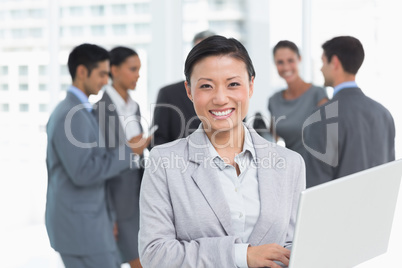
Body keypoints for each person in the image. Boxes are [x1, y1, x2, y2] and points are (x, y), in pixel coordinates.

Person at [139, 35, 306, 268]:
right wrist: (241, 256)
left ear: (251, 86)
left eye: (233, 84)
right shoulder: (164, 163)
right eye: (206, 86)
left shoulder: (290, 163)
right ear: (189, 90)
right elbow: (155, 255)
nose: (220, 98)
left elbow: (295, 246)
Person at [45, 43, 150, 268]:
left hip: (93, 220)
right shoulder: (71, 115)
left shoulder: (82, 111)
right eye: (102, 74)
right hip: (81, 224)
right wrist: (129, 150)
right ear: (82, 72)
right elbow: (84, 173)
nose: (105, 81)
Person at [303, 36, 395, 188]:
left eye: (323, 61)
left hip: (337, 210)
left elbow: (316, 189)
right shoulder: (384, 114)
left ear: (335, 62)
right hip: (378, 210)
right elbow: (389, 176)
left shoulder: (322, 117)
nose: (321, 68)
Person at [94, 46, 146, 268]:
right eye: (133, 69)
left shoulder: (134, 107)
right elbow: (99, 164)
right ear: (113, 70)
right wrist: (108, 213)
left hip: (140, 194)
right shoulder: (98, 110)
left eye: (139, 69)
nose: (138, 75)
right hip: (117, 200)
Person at [152, 30, 215, 146]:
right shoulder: (168, 94)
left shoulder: (232, 94)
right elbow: (158, 141)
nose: (206, 60)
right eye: (200, 54)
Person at [268, 40, 328, 158]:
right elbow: (272, 139)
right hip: (290, 167)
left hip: (317, 168)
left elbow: (329, 138)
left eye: (290, 61)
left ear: (299, 59)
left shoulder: (318, 94)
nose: (286, 67)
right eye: (280, 62)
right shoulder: (274, 101)